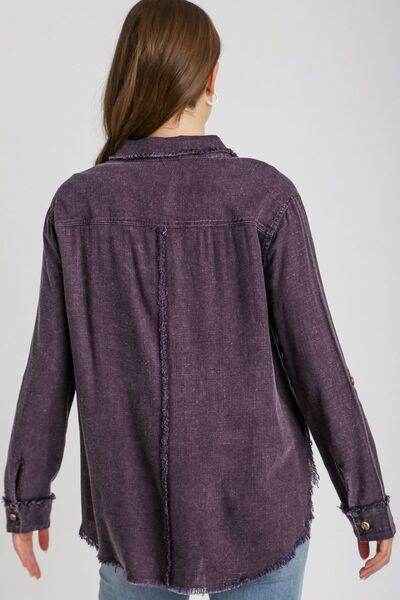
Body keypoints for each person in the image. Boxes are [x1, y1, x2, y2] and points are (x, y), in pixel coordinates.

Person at [3, 1, 396, 599]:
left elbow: (48, 369)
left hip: (131, 515)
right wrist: (365, 502)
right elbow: (317, 363)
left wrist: (26, 496)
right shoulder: (266, 197)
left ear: (129, 75)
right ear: (211, 77)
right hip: (261, 508)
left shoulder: (77, 206)